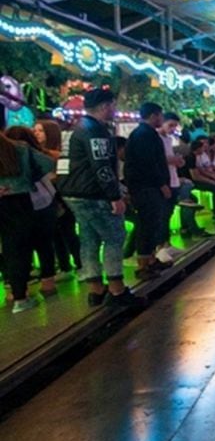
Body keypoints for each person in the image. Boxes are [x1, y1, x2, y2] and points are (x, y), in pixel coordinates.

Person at [56, 89, 138, 307]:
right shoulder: (95, 131)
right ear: (104, 106)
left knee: (89, 239)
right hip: (94, 194)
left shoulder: (77, 128)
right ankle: (117, 290)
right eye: (113, 104)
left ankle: (96, 290)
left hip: (72, 194)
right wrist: (114, 196)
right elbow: (101, 166)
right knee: (114, 237)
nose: (114, 109)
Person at [1, 130, 58, 311]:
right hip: (19, 201)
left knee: (7, 249)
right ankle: (21, 297)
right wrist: (28, 178)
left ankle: (12, 291)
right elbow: (48, 164)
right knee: (20, 248)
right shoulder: (20, 148)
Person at [125, 102, 173, 281]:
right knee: (147, 224)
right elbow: (149, 164)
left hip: (147, 187)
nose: (162, 119)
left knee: (154, 223)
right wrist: (162, 184)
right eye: (160, 115)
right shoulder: (144, 135)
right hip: (146, 188)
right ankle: (143, 265)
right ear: (154, 115)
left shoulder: (144, 133)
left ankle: (151, 259)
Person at [35, 119, 80, 275]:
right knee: (55, 234)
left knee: (68, 232)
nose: (36, 134)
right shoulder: (36, 154)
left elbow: (63, 176)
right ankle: (64, 265)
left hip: (61, 197)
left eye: (40, 130)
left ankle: (80, 263)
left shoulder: (57, 155)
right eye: (35, 130)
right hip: (46, 199)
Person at [159, 112, 208, 244]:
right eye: (171, 125)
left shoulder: (168, 140)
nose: (173, 129)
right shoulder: (156, 139)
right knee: (185, 202)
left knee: (187, 200)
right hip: (165, 182)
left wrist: (177, 162)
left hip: (174, 179)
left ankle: (186, 230)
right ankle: (187, 231)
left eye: (175, 126)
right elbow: (156, 160)